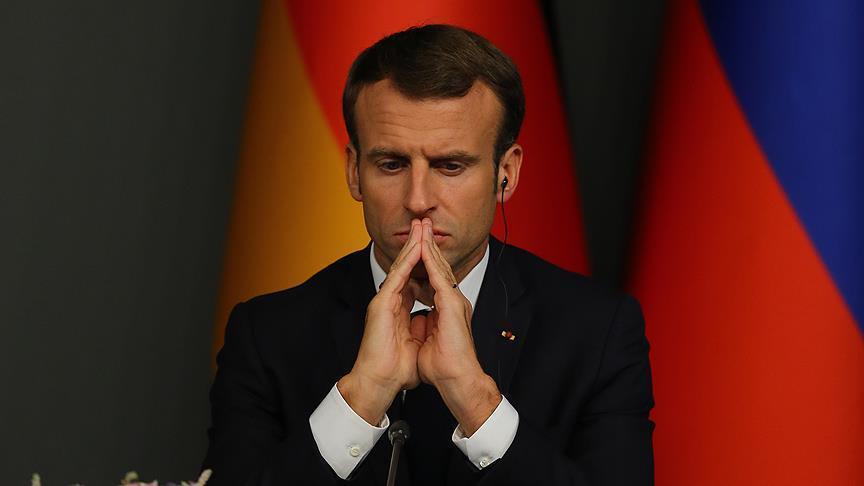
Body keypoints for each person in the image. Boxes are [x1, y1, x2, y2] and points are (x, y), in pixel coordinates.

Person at [203, 24, 654, 485]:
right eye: (391, 164)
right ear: (354, 172)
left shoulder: (597, 331)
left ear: (506, 173)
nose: (418, 199)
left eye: (450, 166)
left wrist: (476, 402)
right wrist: (361, 398)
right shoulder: (266, 335)